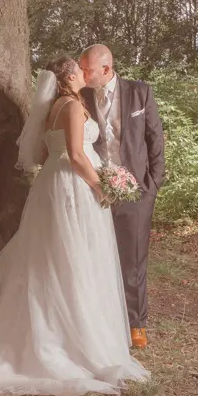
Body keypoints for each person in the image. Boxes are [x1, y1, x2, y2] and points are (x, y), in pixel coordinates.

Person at [0, 56, 149, 396]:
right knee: (69, 257)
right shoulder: (71, 107)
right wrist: (102, 187)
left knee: (53, 255)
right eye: (79, 68)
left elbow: (40, 154)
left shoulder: (54, 107)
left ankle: (66, 322)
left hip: (55, 183)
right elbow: (78, 155)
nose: (84, 72)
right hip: (72, 186)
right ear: (68, 76)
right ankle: (68, 335)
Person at [79, 44, 165, 350]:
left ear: (106, 69)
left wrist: (152, 184)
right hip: (94, 188)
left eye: (86, 68)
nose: (81, 73)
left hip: (136, 190)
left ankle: (135, 324)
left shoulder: (140, 93)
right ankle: (102, 319)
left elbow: (155, 139)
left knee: (133, 259)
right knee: (97, 255)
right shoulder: (81, 95)